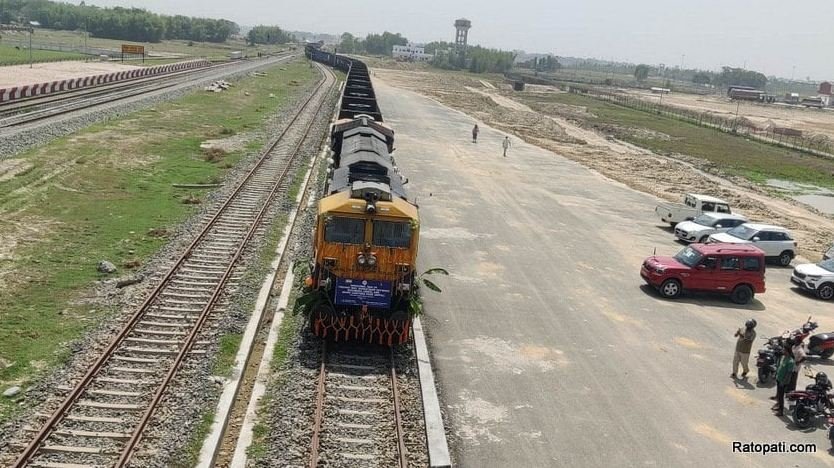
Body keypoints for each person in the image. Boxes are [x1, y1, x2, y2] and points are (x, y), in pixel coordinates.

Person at [773, 346, 795, 416]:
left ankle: (781, 411)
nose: (783, 351)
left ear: (787, 351)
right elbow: (780, 367)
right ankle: (779, 406)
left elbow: (789, 374)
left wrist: (784, 382)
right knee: (779, 395)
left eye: (784, 350)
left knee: (781, 396)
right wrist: (776, 375)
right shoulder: (784, 357)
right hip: (779, 378)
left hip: (783, 381)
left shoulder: (790, 361)